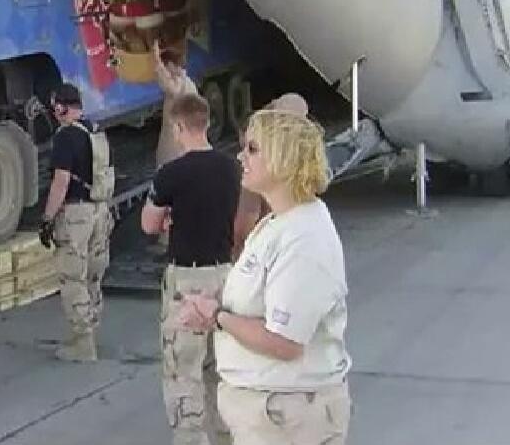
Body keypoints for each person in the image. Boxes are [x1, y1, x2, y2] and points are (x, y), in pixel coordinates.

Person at [178, 109, 352, 445]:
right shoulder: (278, 223)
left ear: (283, 159)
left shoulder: (304, 238)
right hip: (270, 414)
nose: (241, 156)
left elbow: (284, 342)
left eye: (253, 149)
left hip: (287, 417)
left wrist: (217, 317)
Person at [141, 87, 240, 445]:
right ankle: (226, 437)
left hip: (187, 279)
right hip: (225, 276)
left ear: (178, 127)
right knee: (220, 368)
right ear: (207, 123)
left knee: (183, 371)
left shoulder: (171, 174)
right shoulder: (233, 168)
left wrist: (168, 215)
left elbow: (149, 226)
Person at [38, 81, 113, 362]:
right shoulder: (96, 132)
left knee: (73, 278)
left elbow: (61, 181)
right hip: (100, 211)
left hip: (76, 215)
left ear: (60, 107)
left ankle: (83, 344)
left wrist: (47, 218)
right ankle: (91, 331)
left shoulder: (66, 137)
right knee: (93, 276)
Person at [232, 93, 309, 256]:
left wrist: (236, 252)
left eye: (250, 148)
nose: (243, 155)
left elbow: (245, 222)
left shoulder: (257, 170)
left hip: (265, 250)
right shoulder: (297, 160)